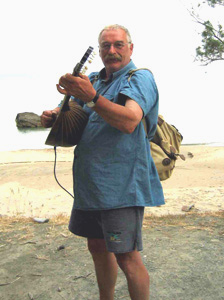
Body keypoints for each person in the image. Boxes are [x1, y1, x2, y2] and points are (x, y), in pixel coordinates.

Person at [41, 24, 165, 300]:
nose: (112, 51)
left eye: (118, 44)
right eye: (105, 46)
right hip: (89, 184)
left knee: (126, 257)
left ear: (130, 48)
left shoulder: (139, 78)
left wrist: (93, 98)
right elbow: (71, 111)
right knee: (97, 248)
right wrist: (53, 115)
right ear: (98, 51)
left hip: (121, 187)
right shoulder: (94, 79)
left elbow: (130, 120)